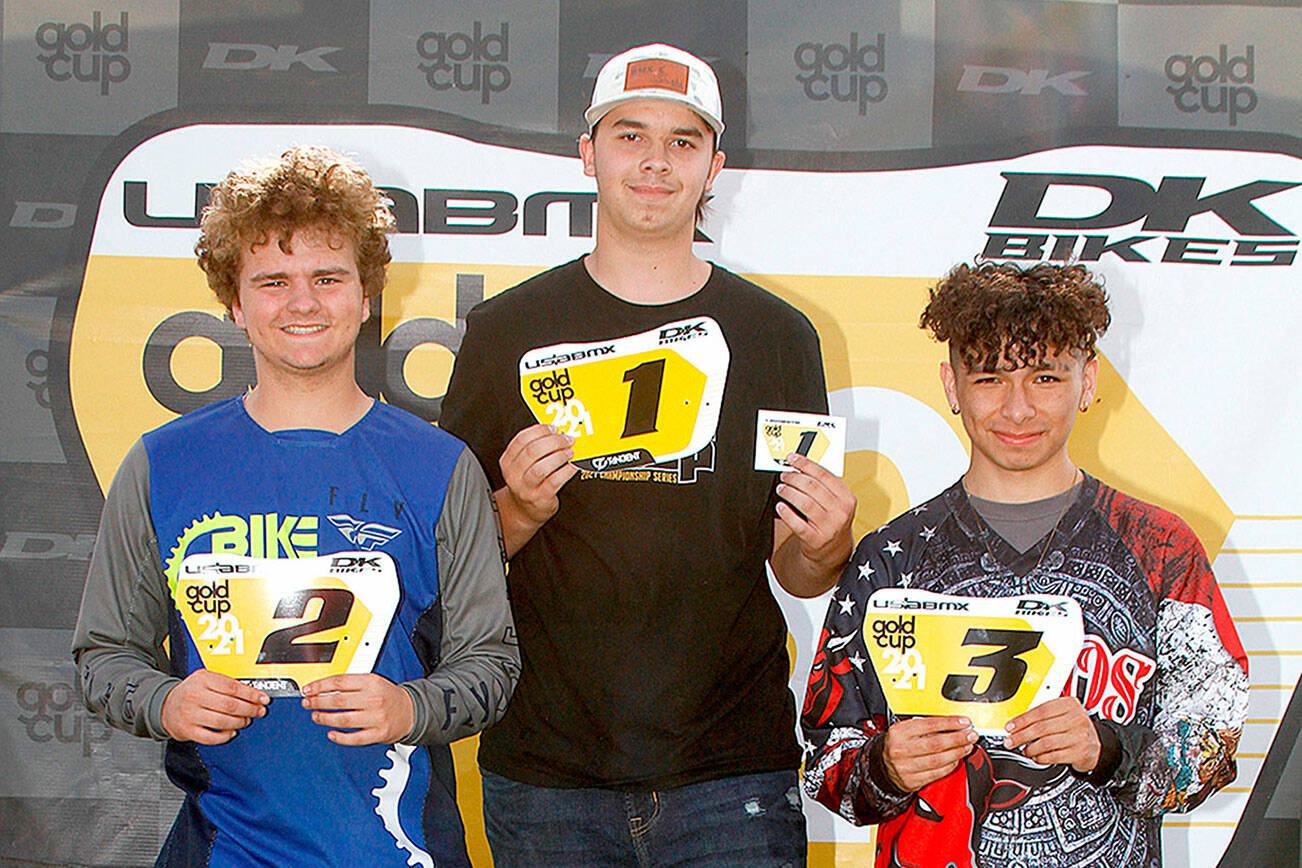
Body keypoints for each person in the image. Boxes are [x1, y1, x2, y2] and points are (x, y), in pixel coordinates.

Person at [439, 43, 856, 866]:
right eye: (630, 136)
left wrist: (829, 543)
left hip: (731, 770)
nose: (656, 162)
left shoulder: (778, 337)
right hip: (547, 771)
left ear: (714, 166)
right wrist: (517, 509)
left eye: (683, 141)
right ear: (588, 154)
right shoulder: (504, 334)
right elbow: (450, 565)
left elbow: (799, 567)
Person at [71, 145, 518, 868]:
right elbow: (104, 655)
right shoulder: (163, 463)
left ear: (367, 295)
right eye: (272, 280)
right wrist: (167, 703)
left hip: (398, 850)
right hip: (224, 850)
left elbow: (490, 664)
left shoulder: (440, 466)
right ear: (234, 303)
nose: (302, 301)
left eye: (327, 277)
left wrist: (410, 709)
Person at [800, 260, 1249, 868]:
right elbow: (824, 760)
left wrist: (1108, 747)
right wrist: (884, 767)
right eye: (988, 378)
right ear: (951, 385)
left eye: (1044, 377)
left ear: (1087, 381)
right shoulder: (892, 557)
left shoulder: (1160, 546)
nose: (1017, 409)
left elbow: (1216, 739)